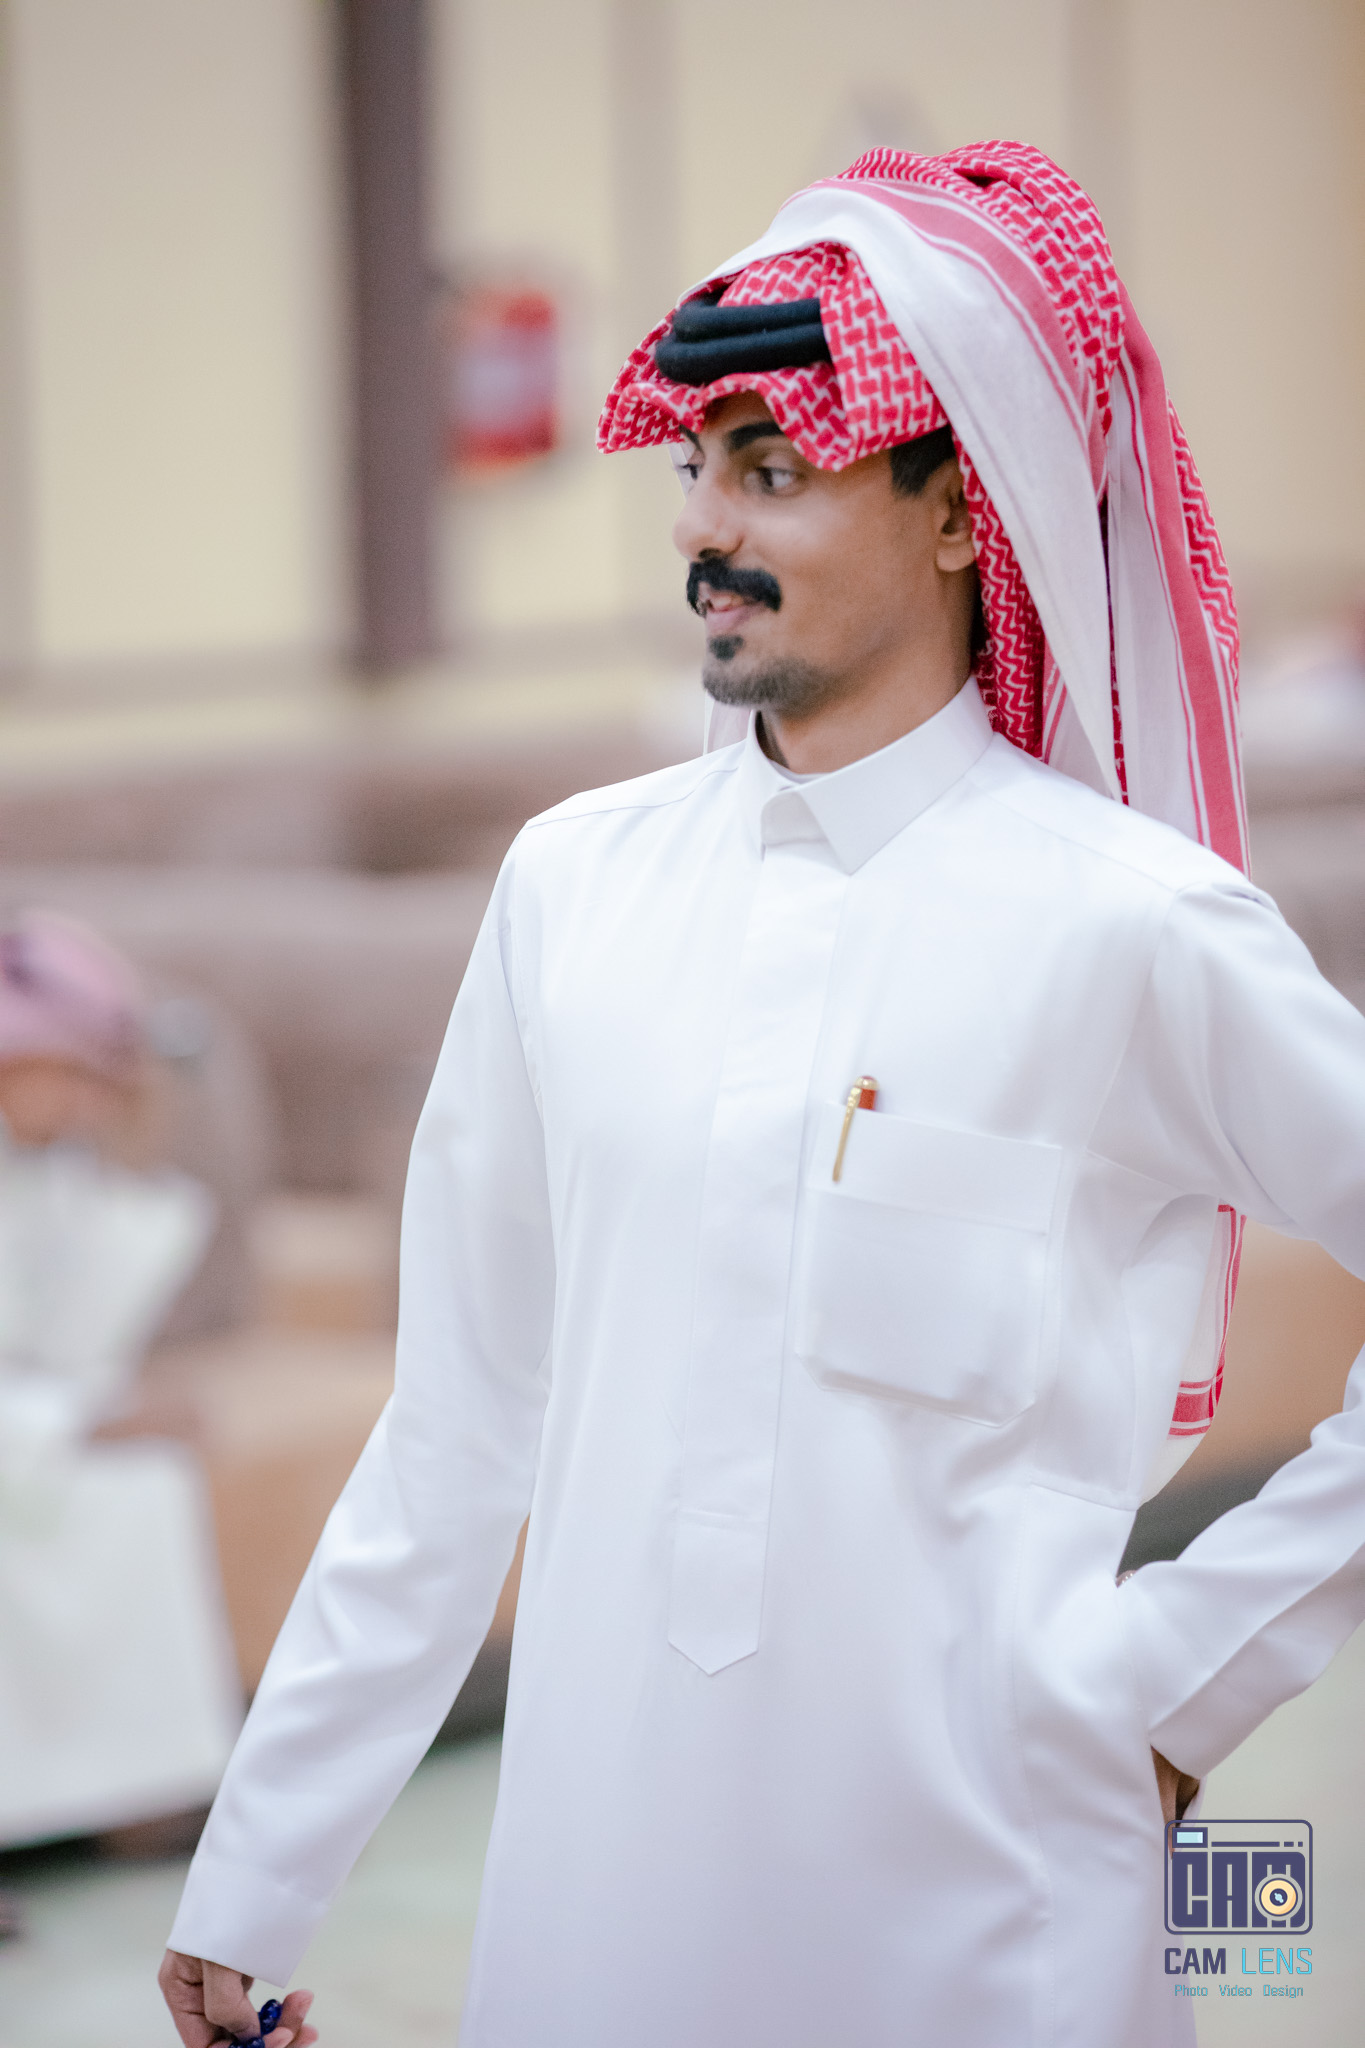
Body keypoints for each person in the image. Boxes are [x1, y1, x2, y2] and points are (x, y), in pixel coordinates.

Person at [162, 145, 1365, 2048]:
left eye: (776, 470)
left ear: (959, 509)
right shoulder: (571, 889)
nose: (705, 528)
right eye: (695, 468)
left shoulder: (1129, 927)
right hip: (594, 1904)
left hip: (993, 1930)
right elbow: (459, 1423)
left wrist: (1182, 1673)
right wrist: (261, 1869)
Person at [0, 912, 240, 1860]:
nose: (89, 1105)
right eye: (77, 1076)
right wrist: (71, 1425)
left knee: (145, 1483)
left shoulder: (46, 1172)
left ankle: (146, 1791)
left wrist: (132, 1164)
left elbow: (74, 1345)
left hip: (22, 1430)